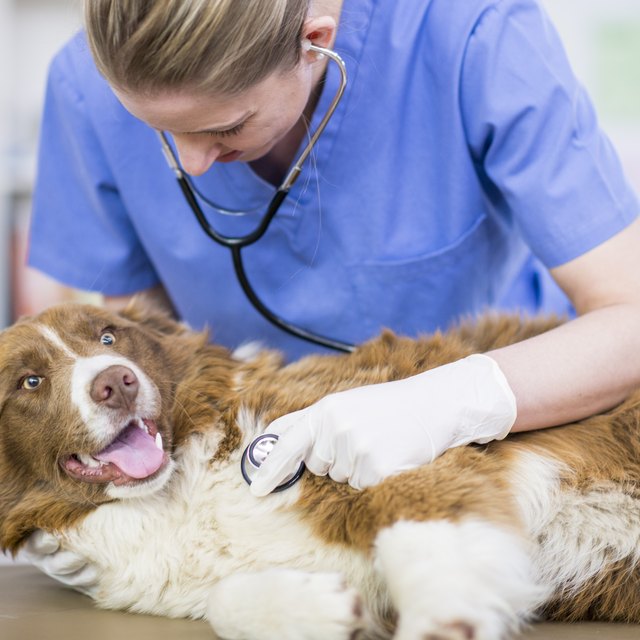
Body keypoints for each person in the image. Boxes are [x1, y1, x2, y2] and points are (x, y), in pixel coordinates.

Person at [24, 0, 640, 589]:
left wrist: (445, 403)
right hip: (261, 466)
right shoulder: (88, 80)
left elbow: (629, 316)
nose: (192, 164)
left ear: (315, 45)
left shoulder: (475, 32)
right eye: (157, 131)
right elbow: (144, 346)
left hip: (528, 438)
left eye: (228, 126)